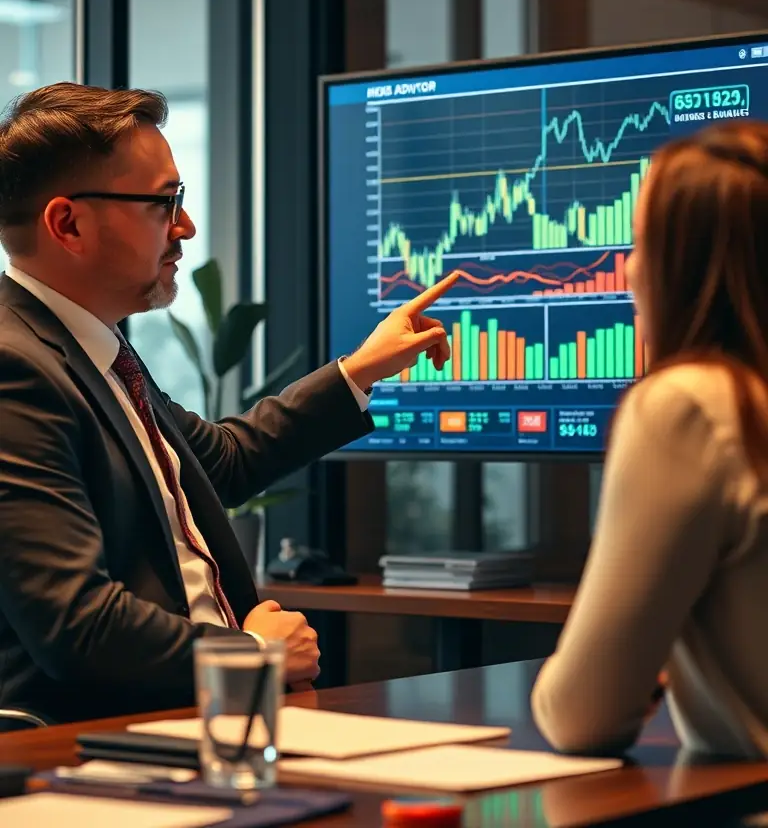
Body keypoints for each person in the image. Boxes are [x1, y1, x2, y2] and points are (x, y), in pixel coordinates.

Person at [0, 82, 457, 725]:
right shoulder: (15, 367)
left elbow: (216, 461)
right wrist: (249, 654)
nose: (185, 226)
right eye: (165, 203)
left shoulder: (94, 353)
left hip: (202, 720)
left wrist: (360, 370)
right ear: (68, 223)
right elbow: (75, 622)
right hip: (110, 743)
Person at [532, 119, 768, 759]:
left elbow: (579, 716)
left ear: (687, 267)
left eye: (642, 243)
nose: (628, 270)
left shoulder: (685, 406)